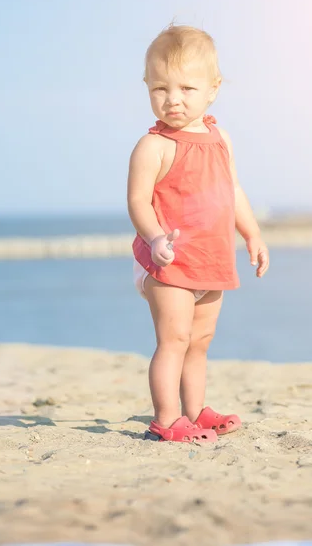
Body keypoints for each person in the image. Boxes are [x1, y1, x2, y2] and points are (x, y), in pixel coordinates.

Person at [127, 24, 269, 443]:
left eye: (187, 88)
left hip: (211, 259)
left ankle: (196, 411)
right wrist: (155, 238)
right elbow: (137, 202)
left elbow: (234, 190)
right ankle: (167, 419)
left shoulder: (220, 138)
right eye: (160, 89)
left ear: (213, 88)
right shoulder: (153, 146)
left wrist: (253, 234)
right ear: (147, 88)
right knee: (173, 339)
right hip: (167, 262)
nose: (172, 99)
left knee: (199, 342)